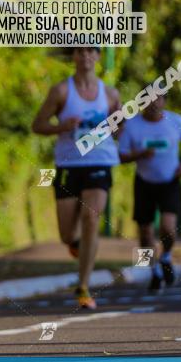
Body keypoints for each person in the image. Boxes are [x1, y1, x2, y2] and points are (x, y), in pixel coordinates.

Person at [32, 47, 121, 309]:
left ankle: (83, 286)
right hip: (69, 164)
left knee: (91, 217)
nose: (85, 58)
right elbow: (37, 125)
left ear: (97, 57)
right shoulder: (61, 91)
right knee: (67, 234)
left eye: (91, 53)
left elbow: (118, 132)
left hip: (100, 161)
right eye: (80, 53)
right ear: (74, 57)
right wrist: (61, 126)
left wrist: (119, 122)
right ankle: (77, 244)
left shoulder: (110, 93)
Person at [118, 92, 181, 291]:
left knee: (168, 228)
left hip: (170, 181)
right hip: (144, 182)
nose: (152, 103)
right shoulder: (132, 125)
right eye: (147, 99)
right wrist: (139, 154)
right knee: (145, 232)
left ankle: (166, 256)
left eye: (157, 99)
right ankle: (154, 272)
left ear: (164, 101)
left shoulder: (175, 121)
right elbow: (121, 156)